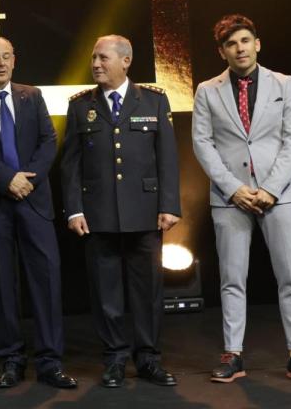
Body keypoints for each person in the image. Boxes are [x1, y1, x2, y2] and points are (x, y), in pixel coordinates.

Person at [191, 14, 291, 385]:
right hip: (230, 197)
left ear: (257, 43)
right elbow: (202, 143)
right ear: (222, 51)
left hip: (278, 195)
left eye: (245, 40)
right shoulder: (207, 90)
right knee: (232, 278)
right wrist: (233, 188)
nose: (240, 48)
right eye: (231, 44)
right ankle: (234, 354)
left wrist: (271, 189)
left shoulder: (284, 83)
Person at [0, 36, 77, 390]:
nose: (2, 64)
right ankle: (12, 360)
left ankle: (51, 363)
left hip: (33, 201)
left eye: (7, 57)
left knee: (47, 282)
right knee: (4, 286)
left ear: (14, 60)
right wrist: (8, 180)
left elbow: (48, 141)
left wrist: (27, 182)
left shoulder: (31, 95)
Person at [60, 34, 180, 388]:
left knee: (148, 293)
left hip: (145, 212)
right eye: (94, 58)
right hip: (98, 215)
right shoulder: (82, 105)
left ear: (125, 61)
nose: (96, 64)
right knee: (106, 292)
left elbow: (168, 158)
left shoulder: (154, 101)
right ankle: (114, 359)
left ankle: (148, 359)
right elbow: (70, 164)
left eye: (103, 58)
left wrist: (169, 205)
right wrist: (73, 210)